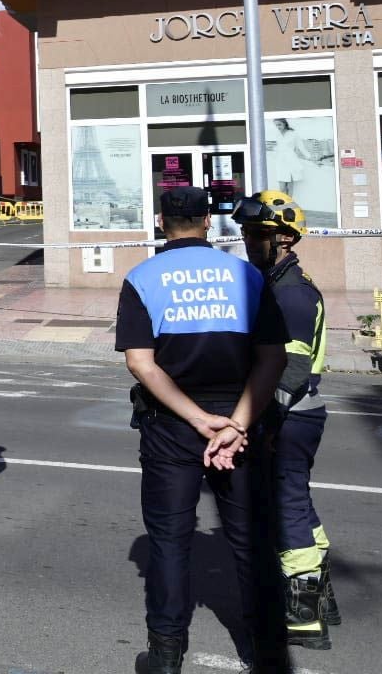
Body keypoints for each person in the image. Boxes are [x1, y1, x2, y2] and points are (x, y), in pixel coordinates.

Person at [118, 186, 288, 674]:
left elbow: (141, 364)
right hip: (241, 423)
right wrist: (235, 424)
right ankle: (267, 653)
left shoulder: (142, 277)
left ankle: (167, 654)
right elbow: (273, 357)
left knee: (170, 542)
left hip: (172, 424)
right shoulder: (247, 276)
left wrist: (197, 420)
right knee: (251, 538)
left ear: (159, 222)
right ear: (208, 222)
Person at [234, 190, 337, 652]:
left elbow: (290, 371)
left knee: (286, 509)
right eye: (246, 233)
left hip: (290, 416)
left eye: (258, 234)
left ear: (285, 238)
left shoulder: (291, 294)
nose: (248, 241)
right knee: (300, 505)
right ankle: (322, 597)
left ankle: (304, 616)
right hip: (299, 415)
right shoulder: (278, 282)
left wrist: (266, 425)